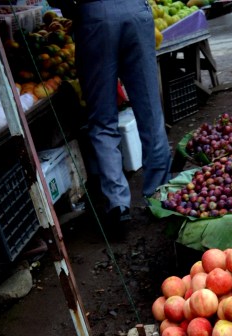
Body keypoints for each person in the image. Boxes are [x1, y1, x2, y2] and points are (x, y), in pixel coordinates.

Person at [73, 0, 172, 238]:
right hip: (136, 12)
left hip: (95, 16)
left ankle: (117, 204)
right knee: (150, 112)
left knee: (102, 120)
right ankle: (159, 194)